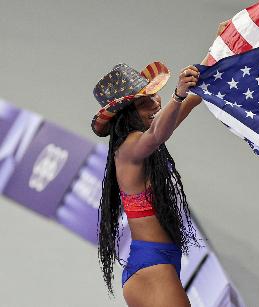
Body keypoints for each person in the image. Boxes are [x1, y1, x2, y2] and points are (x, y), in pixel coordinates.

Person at [90, 21, 228, 307]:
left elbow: (192, 98)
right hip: (152, 269)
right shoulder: (128, 147)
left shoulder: (142, 137)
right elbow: (159, 131)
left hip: (157, 262)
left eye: (155, 95)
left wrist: (219, 48)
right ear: (126, 115)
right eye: (146, 102)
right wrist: (177, 95)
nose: (156, 103)